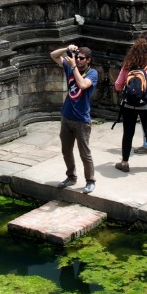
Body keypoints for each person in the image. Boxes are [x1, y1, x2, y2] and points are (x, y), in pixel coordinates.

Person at [114, 38, 147, 172]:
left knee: (128, 133)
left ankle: (124, 162)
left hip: (128, 105)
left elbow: (117, 85)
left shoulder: (127, 66)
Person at [50, 44, 97, 193]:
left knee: (85, 153)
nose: (78, 60)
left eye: (81, 58)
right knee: (66, 150)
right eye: (77, 57)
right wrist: (66, 49)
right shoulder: (70, 67)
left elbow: (82, 85)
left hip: (81, 120)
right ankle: (71, 176)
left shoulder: (93, 73)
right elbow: (53, 55)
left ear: (88, 60)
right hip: (67, 116)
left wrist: (73, 67)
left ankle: (90, 180)